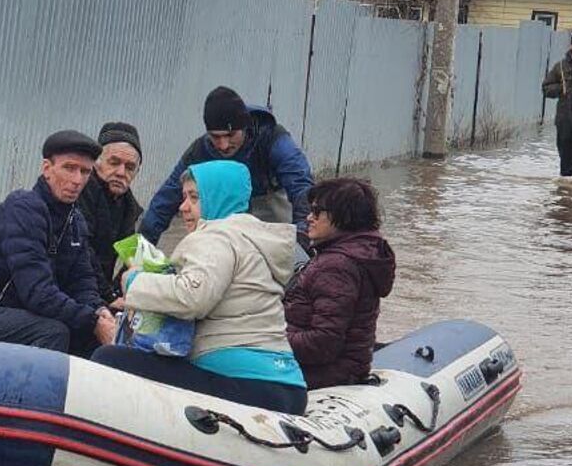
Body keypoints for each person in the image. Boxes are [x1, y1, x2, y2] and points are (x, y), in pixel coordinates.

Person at [92, 160, 307, 416]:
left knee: (109, 358)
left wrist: (134, 282)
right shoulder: (252, 239)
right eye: (183, 197)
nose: (183, 207)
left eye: (194, 197)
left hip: (244, 383)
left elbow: (192, 297)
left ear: (218, 197)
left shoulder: (216, 236)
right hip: (288, 386)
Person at [0, 130, 118, 356]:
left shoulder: (75, 221)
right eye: (69, 168)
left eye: (85, 172)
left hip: (13, 313)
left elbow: (81, 282)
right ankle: (35, 392)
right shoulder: (23, 209)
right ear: (47, 169)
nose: (77, 180)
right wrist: (92, 321)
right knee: (54, 332)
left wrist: (100, 311)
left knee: (89, 332)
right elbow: (37, 293)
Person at [139, 86, 313, 243]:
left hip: (269, 205)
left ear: (244, 127)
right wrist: (140, 248)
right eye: (215, 136)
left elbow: (302, 188)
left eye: (230, 135)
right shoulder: (200, 151)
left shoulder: (273, 139)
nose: (223, 145)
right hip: (224, 213)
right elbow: (166, 198)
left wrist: (303, 236)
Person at [283, 178, 395, 389]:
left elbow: (323, 343)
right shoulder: (359, 253)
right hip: (347, 367)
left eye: (316, 212)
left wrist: (264, 339)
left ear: (342, 217)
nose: (308, 218)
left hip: (326, 373)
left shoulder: (337, 266)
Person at [77, 121, 145, 310]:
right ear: (96, 162)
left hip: (97, 290)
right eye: (114, 163)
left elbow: (132, 255)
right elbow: (83, 251)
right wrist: (108, 296)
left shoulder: (128, 206)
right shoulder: (80, 194)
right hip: (72, 288)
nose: (121, 172)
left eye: (130, 167)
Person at [542, 30, 572, 179]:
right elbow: (546, 88)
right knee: (565, 156)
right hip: (564, 119)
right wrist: (560, 89)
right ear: (571, 46)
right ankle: (566, 194)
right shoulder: (561, 67)